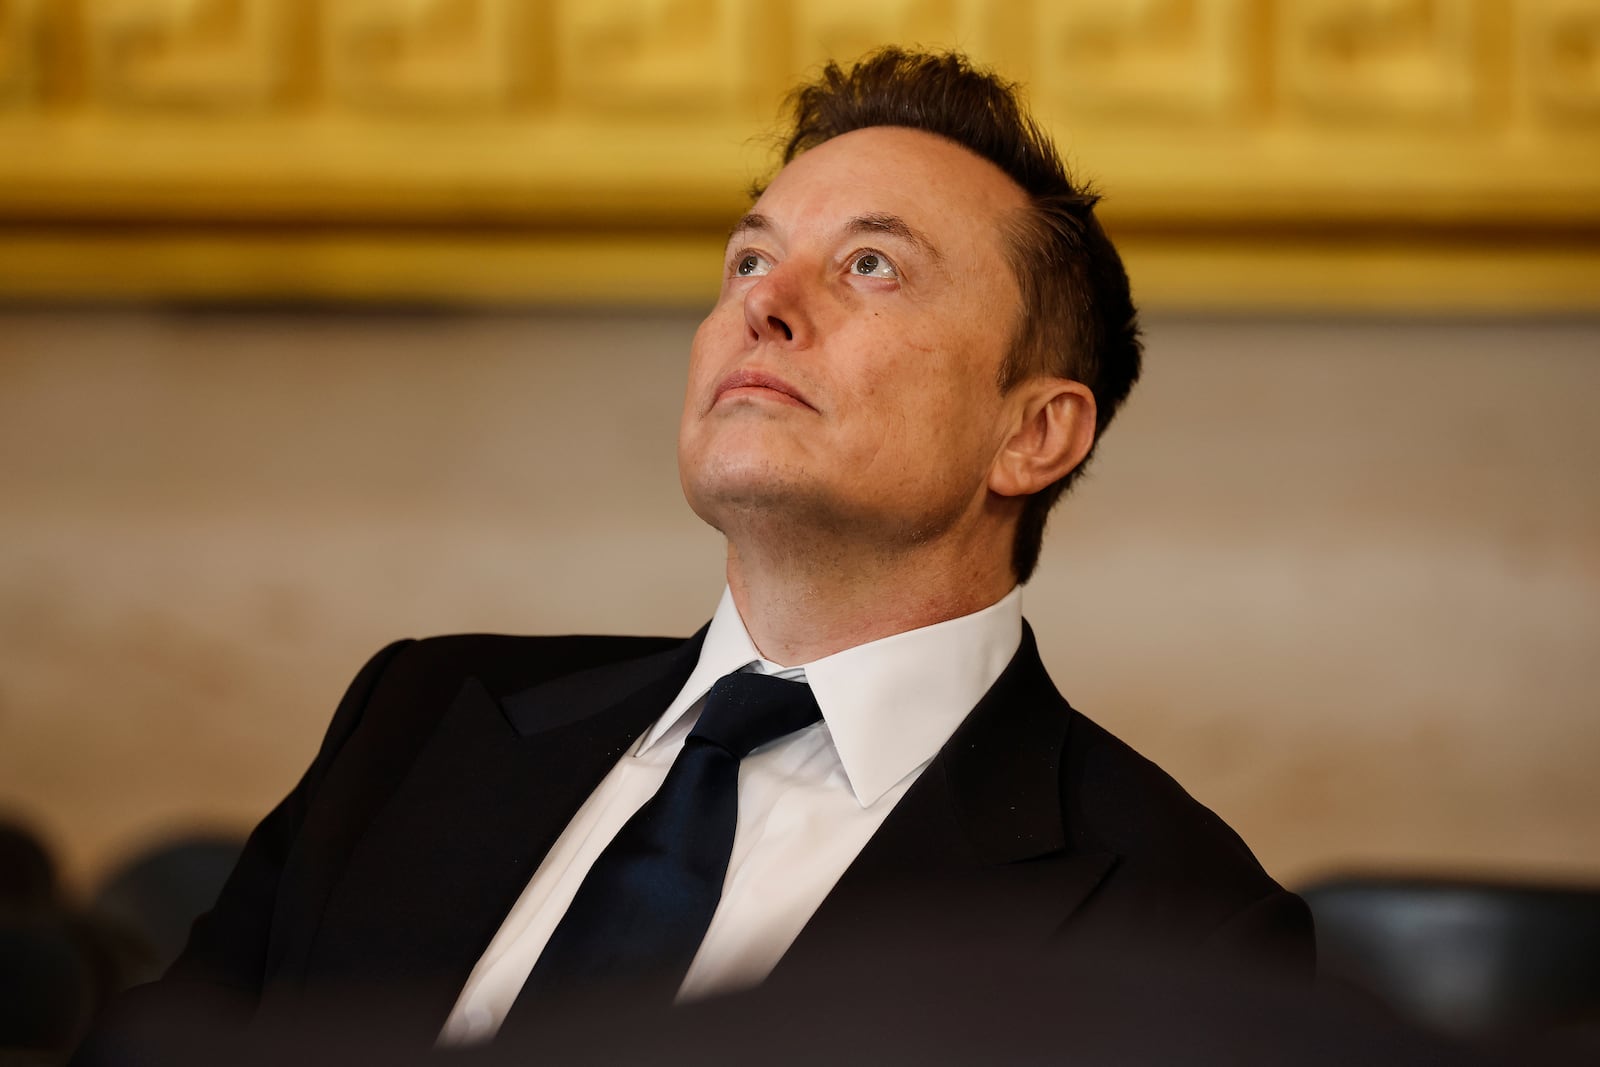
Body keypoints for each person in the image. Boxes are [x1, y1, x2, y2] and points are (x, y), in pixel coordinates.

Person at [79, 47, 1313, 1059]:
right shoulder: (419, 714)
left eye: (872, 266)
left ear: (1033, 431)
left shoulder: (1179, 920)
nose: (763, 304)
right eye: (749, 257)